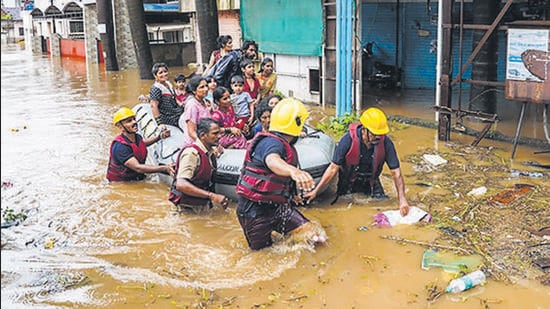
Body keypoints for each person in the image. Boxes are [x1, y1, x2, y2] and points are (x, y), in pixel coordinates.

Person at [235, 98, 326, 250]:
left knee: (314, 236)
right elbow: (272, 161)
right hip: (254, 210)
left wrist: (293, 194)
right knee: (262, 254)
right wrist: (293, 171)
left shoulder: (284, 143)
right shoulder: (271, 143)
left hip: (277, 207)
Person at [304, 107, 411, 216]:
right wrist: (316, 191)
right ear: (364, 129)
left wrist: (402, 200)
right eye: (374, 133)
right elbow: (333, 169)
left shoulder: (386, 143)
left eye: (381, 133)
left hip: (371, 181)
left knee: (380, 206)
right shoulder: (348, 140)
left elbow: (396, 173)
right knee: (345, 211)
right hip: (348, 182)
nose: (378, 137)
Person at [169, 118, 229, 211]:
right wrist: (212, 196)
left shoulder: (210, 152)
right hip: (186, 208)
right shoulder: (191, 154)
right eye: (215, 133)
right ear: (203, 135)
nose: (219, 136)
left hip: (200, 205)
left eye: (219, 133)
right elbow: (180, 184)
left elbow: (205, 163)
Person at [106, 107, 174, 182]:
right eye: (129, 121)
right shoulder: (120, 147)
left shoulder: (136, 137)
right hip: (122, 183)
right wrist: (165, 168)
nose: (134, 122)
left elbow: (141, 144)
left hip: (136, 177)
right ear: (120, 127)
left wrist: (159, 137)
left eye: (134, 119)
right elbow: (138, 168)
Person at [179, 76, 212, 147]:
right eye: (202, 87)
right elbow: (191, 132)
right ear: (194, 91)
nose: (206, 89)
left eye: (206, 86)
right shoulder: (192, 105)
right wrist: (205, 145)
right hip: (195, 144)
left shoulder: (203, 101)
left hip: (205, 139)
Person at [149, 62, 184, 127]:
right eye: (160, 73)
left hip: (176, 111)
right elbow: (153, 105)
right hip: (168, 117)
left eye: (165, 71)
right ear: (155, 75)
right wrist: (160, 123)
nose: (164, 74)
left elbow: (174, 98)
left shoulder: (168, 84)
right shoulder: (156, 88)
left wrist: (182, 104)